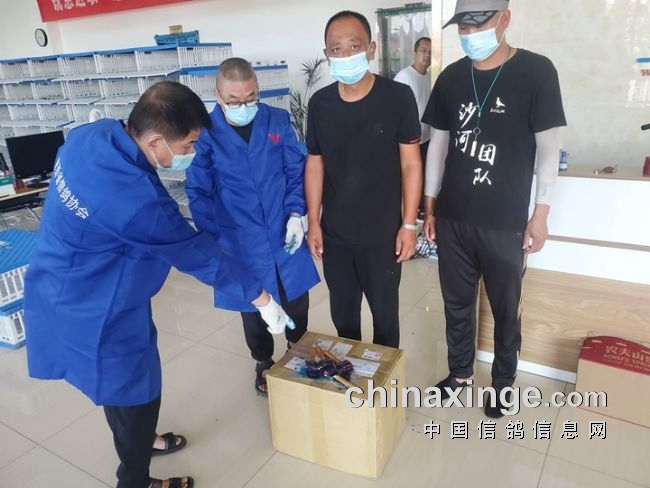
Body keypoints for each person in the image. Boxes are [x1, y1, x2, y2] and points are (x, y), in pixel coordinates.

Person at [24, 81, 294, 488]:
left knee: (120, 389)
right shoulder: (137, 206)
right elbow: (197, 254)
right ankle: (135, 479)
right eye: (188, 145)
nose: (192, 153)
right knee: (136, 391)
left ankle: (139, 442)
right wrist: (261, 297)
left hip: (62, 277)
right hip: (97, 307)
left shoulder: (91, 136)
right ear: (154, 142)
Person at [421, 0, 566, 418]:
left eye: (478, 24)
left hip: (505, 223)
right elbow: (439, 147)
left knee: (506, 309)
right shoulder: (450, 77)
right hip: (454, 217)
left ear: (505, 19)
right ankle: (460, 374)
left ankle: (503, 384)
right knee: (456, 305)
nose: (469, 34)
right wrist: (430, 206)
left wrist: (541, 212)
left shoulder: (537, 72)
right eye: (463, 27)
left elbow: (548, 149)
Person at [186, 57, 320, 395]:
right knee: (253, 304)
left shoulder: (277, 120)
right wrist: (214, 240)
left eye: (250, 98)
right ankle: (263, 361)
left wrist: (296, 214)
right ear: (217, 94)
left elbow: (294, 170)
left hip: (282, 227)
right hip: (238, 238)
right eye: (233, 100)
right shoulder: (203, 134)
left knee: (296, 298)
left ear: (257, 90)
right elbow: (199, 191)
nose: (243, 106)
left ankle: (297, 349)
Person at [304, 10, 423, 348]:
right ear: (327, 54)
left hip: (383, 237)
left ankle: (385, 380)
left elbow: (411, 165)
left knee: (385, 320)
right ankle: (352, 376)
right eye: (336, 49)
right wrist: (314, 221)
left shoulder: (397, 97)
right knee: (343, 319)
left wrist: (409, 225)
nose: (345, 54)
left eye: (353, 46)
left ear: (371, 49)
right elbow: (315, 164)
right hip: (336, 236)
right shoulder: (320, 104)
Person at [394, 36, 433, 220]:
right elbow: (395, 111)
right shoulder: (404, 77)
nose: (427, 55)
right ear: (414, 53)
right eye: (423, 51)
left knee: (422, 175)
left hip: (425, 138)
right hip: (408, 141)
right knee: (408, 176)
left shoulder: (430, 77)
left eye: (430, 52)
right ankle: (407, 215)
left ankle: (419, 209)